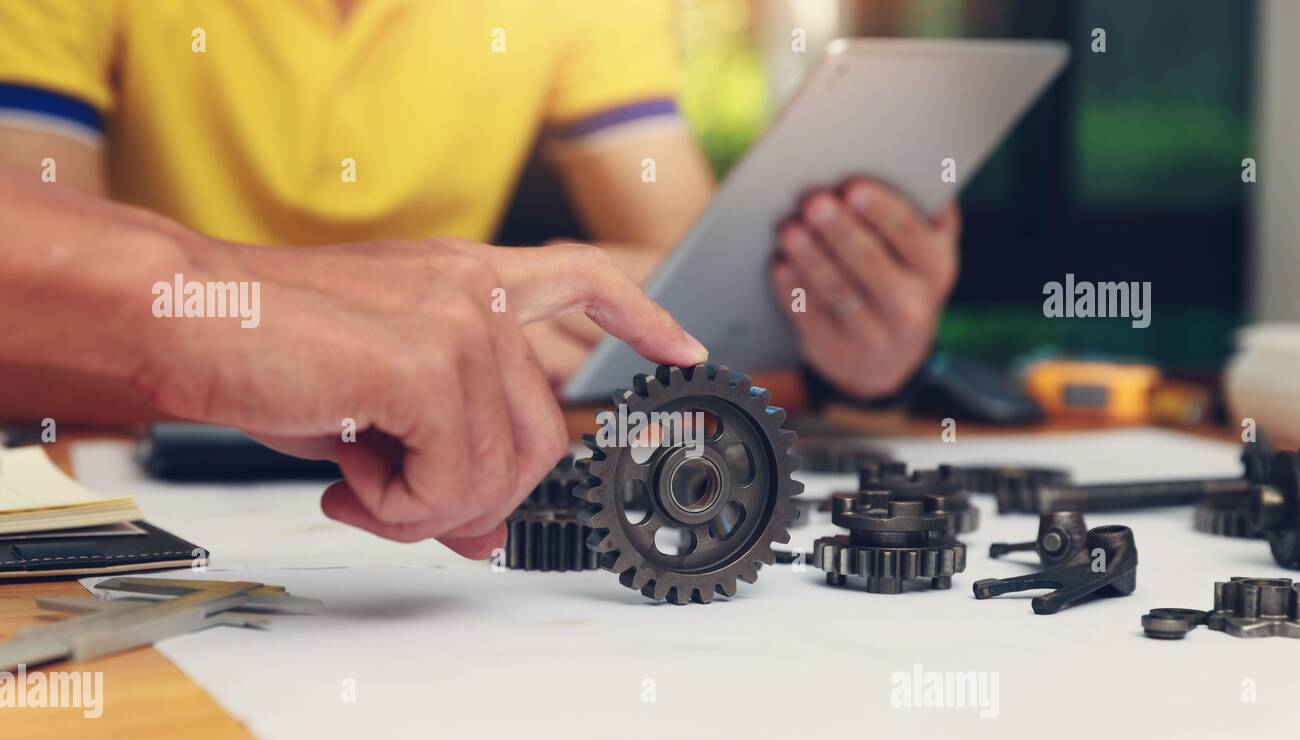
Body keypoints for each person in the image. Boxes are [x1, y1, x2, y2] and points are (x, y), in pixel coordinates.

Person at [0, 0, 959, 549]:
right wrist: (294, 324)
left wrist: (849, 343)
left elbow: (687, 311)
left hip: (433, 493)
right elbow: (37, 305)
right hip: (110, 483)